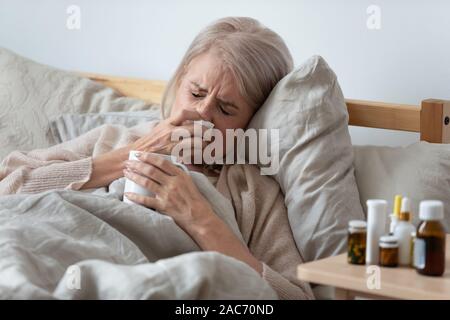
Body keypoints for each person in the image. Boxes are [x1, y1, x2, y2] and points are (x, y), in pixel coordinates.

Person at [0, 17, 314, 299]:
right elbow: (10, 186)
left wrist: (201, 219)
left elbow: (291, 297)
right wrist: (130, 156)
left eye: (226, 109)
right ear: (180, 80)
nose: (203, 113)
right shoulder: (114, 138)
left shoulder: (252, 191)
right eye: (196, 92)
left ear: (253, 119)